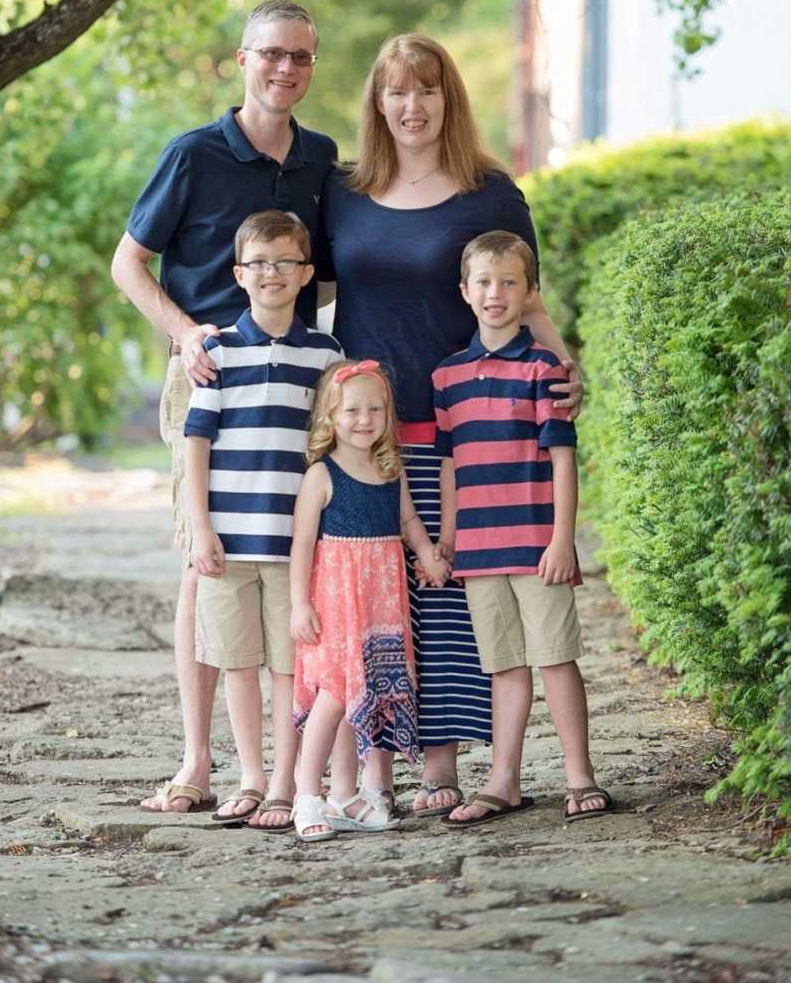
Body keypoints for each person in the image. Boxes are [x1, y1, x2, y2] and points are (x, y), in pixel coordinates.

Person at [316, 33, 584, 816]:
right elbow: (301, 275)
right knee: (370, 604)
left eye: (426, 91)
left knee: (440, 608)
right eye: (396, 92)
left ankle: (439, 768)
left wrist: (567, 377)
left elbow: (526, 302)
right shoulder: (344, 190)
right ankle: (370, 774)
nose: (411, 106)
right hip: (365, 432)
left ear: (448, 99)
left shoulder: (489, 192)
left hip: (462, 431)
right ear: (377, 102)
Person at [110, 0, 336, 818]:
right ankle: (198, 759)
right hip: (209, 372)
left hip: (290, 379)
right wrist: (184, 334)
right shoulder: (195, 154)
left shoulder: (321, 159)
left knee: (286, 563)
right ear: (242, 59)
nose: (286, 69)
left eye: (302, 58)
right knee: (202, 562)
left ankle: (286, 770)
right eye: (272, 53)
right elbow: (128, 263)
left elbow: (330, 273)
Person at [434, 231, 612, 826]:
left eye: (510, 282)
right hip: (480, 553)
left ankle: (579, 775)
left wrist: (563, 539)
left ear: (531, 292)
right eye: (484, 282)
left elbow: (563, 458)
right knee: (505, 667)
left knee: (556, 659)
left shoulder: (544, 369)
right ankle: (503, 780)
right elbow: (451, 464)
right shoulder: (447, 378)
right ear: (464, 292)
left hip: (538, 547)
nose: (496, 293)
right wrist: (450, 540)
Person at [184, 210, 342, 831]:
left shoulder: (325, 353)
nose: (271, 273)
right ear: (239, 275)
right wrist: (200, 527)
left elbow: (329, 441)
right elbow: (197, 444)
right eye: (258, 263)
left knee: (289, 667)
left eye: (284, 262)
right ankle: (250, 777)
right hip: (228, 539)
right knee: (236, 662)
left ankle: (284, 781)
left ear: (306, 274)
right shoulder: (218, 351)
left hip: (293, 545)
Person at [289, 360, 450, 841]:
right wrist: (299, 604)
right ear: (330, 417)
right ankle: (306, 795)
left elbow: (407, 523)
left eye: (375, 409)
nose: (364, 419)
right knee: (334, 696)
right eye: (352, 410)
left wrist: (428, 553)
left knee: (358, 696)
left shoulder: (389, 466)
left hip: (381, 603)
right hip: (338, 603)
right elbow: (300, 545)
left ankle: (345, 795)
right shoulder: (322, 473)